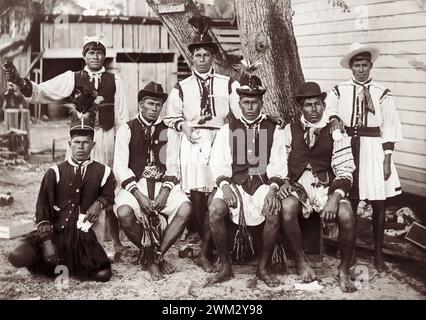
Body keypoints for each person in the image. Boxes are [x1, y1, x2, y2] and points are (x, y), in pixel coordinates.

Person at [3, 35, 129, 255]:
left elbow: (121, 116)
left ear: (104, 56)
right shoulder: (73, 77)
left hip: (108, 137)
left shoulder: (114, 80)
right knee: (78, 184)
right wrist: (21, 82)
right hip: (82, 139)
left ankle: (115, 239)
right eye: (91, 52)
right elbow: (43, 91)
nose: (95, 56)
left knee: (109, 183)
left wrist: (121, 142)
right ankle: (76, 235)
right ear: (84, 55)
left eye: (99, 53)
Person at [165, 16, 241, 272]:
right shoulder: (182, 86)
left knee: (215, 191)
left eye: (206, 54)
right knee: (197, 195)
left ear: (212, 57)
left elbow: (240, 111)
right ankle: (201, 245)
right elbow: (171, 117)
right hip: (193, 138)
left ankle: (208, 249)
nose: (202, 59)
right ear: (192, 58)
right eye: (198, 54)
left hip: (218, 138)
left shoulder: (227, 82)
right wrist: (183, 126)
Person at [8, 108, 115, 282]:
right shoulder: (55, 172)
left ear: (93, 145)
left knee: (103, 274)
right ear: (69, 144)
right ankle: (57, 263)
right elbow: (42, 209)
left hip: (82, 236)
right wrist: (48, 242)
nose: (81, 147)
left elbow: (109, 193)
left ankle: (67, 266)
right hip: (56, 232)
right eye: (77, 142)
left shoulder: (104, 172)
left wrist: (99, 203)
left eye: (86, 142)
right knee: (17, 256)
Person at [325, 42, 403, 272]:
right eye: (357, 65)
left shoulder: (381, 92)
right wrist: (334, 118)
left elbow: (389, 125)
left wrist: (387, 157)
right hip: (349, 145)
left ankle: (378, 254)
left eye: (365, 64)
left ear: (371, 65)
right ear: (351, 68)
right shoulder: (340, 90)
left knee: (379, 201)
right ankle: (349, 252)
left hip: (374, 147)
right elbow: (329, 109)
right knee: (353, 198)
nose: (361, 69)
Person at [207, 73, 286, 287]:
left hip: (262, 185)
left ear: (261, 102)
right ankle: (225, 266)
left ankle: (263, 266)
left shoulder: (274, 129)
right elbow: (219, 162)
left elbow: (279, 163)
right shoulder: (228, 129)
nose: (250, 107)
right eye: (245, 103)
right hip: (235, 184)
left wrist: (272, 190)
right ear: (239, 103)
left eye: (254, 102)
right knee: (215, 210)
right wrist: (225, 187)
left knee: (273, 211)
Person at [278, 81, 357, 293]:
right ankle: (301, 260)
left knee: (347, 214)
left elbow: (345, 169)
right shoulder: (289, 129)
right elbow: (280, 160)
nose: (313, 110)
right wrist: (284, 180)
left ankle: (344, 270)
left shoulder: (335, 131)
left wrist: (335, 197)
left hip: (325, 186)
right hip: (298, 184)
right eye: (308, 105)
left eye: (317, 104)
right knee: (286, 208)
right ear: (300, 108)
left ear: (324, 105)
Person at [113, 82, 192, 281]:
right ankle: (149, 254)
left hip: (162, 183)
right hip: (136, 185)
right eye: (150, 103)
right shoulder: (126, 129)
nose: (154, 109)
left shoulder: (169, 130)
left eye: (158, 105)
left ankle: (155, 256)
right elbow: (120, 168)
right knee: (124, 212)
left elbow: (173, 165)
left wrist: (165, 192)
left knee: (185, 208)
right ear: (141, 104)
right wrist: (138, 196)